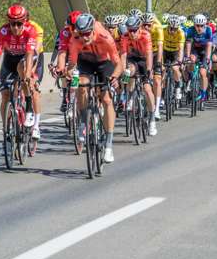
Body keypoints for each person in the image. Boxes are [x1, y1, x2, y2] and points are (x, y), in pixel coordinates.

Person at [67, 13, 123, 163]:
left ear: (92, 29)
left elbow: (118, 64)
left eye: (87, 33)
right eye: (81, 33)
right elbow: (72, 65)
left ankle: (109, 145)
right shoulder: (75, 39)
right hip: (85, 62)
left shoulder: (105, 37)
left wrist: (115, 77)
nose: (84, 37)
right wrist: (71, 75)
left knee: (106, 99)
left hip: (104, 63)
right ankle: (84, 122)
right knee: (82, 85)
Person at [0, 4, 41, 141]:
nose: (16, 27)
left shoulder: (31, 30)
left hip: (26, 58)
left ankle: (29, 106)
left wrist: (29, 74)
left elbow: (30, 54)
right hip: (9, 59)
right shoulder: (3, 31)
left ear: (24, 22)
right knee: (5, 95)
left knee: (22, 70)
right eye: (12, 24)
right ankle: (6, 127)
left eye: (19, 24)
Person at [120, 14, 157, 136]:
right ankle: (128, 96)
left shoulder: (146, 35)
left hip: (144, 59)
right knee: (127, 72)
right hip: (132, 59)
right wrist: (122, 70)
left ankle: (152, 120)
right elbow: (123, 55)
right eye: (129, 30)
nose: (131, 33)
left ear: (139, 28)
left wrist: (149, 70)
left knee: (147, 90)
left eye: (134, 30)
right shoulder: (125, 36)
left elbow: (149, 54)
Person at [185, 14, 213, 102]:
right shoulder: (190, 30)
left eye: (201, 26)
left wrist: (208, 58)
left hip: (205, 51)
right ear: (194, 25)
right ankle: (190, 78)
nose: (199, 28)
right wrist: (187, 56)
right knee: (191, 61)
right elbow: (188, 44)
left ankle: (203, 93)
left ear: (205, 25)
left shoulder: (208, 30)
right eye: (197, 25)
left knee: (202, 73)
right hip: (195, 50)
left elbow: (209, 45)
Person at [161, 14, 186, 102]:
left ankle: (178, 86)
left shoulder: (181, 33)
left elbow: (181, 49)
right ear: (168, 26)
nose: (173, 30)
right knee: (162, 70)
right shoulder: (163, 31)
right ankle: (163, 94)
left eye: (175, 29)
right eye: (171, 28)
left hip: (175, 52)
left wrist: (180, 61)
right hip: (165, 51)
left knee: (175, 68)